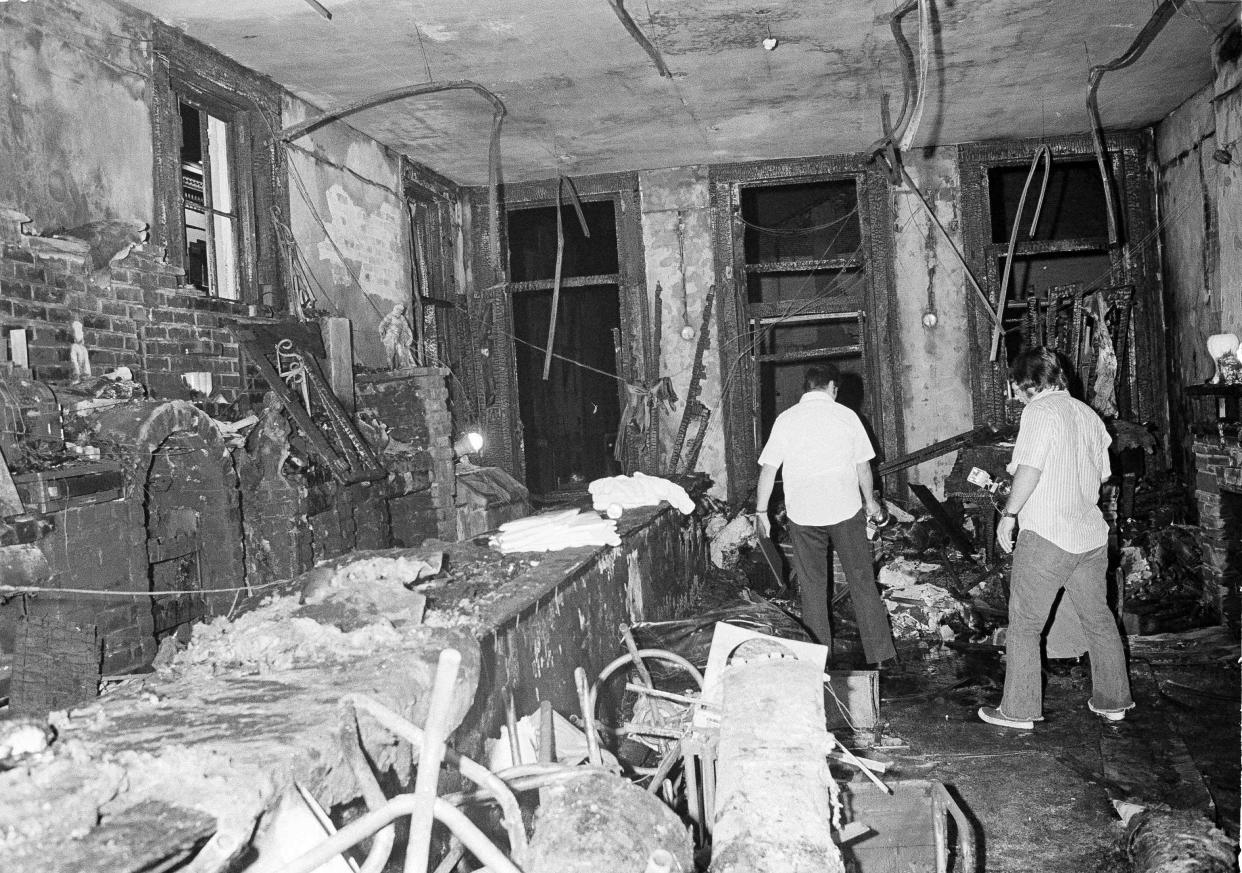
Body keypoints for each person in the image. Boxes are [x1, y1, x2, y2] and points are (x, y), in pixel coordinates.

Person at [979, 347, 1134, 729]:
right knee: (1098, 619)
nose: (1013, 393)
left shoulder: (1039, 412)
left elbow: (1029, 470)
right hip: (1091, 537)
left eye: (1015, 385)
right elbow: (1101, 476)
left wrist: (1009, 516)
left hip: (1048, 534)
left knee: (1025, 624)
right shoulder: (1088, 414)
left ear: (1027, 384)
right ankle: (1113, 701)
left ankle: (1018, 710)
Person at [755, 364, 897, 667]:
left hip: (803, 515)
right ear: (832, 386)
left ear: (807, 387)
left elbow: (768, 469)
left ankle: (818, 662)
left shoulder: (786, 419)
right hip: (845, 512)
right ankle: (882, 656)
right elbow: (863, 467)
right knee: (862, 581)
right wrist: (870, 504)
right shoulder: (847, 417)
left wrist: (761, 511)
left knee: (813, 588)